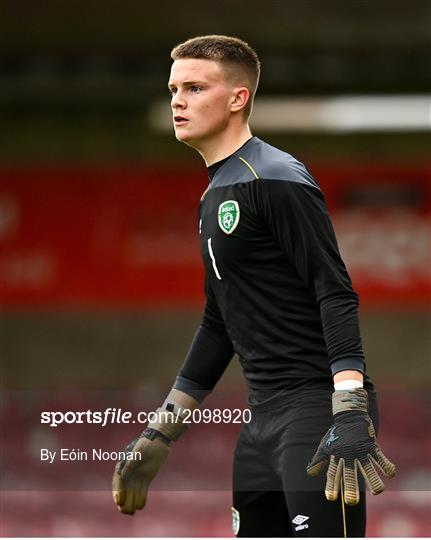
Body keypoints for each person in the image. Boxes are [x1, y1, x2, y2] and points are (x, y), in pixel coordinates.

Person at [112, 35, 395, 537]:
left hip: (315, 413)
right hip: (261, 420)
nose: (178, 100)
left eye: (195, 87)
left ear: (238, 98)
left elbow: (333, 289)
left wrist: (348, 407)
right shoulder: (213, 195)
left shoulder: (277, 178)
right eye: (174, 89)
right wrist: (162, 430)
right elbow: (218, 321)